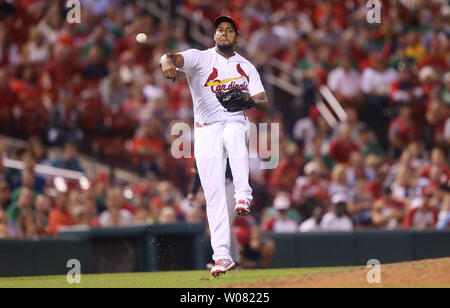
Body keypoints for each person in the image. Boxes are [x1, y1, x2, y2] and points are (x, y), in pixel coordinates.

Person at [160, 15, 269, 277]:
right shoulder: (201, 58)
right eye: (219, 30)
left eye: (229, 30)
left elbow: (263, 101)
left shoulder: (246, 67)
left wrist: (247, 100)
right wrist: (165, 62)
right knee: (214, 197)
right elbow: (172, 57)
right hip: (205, 131)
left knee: (233, 133)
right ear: (214, 35)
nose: (223, 34)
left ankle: (243, 194)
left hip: (234, 121)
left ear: (237, 37)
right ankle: (222, 256)